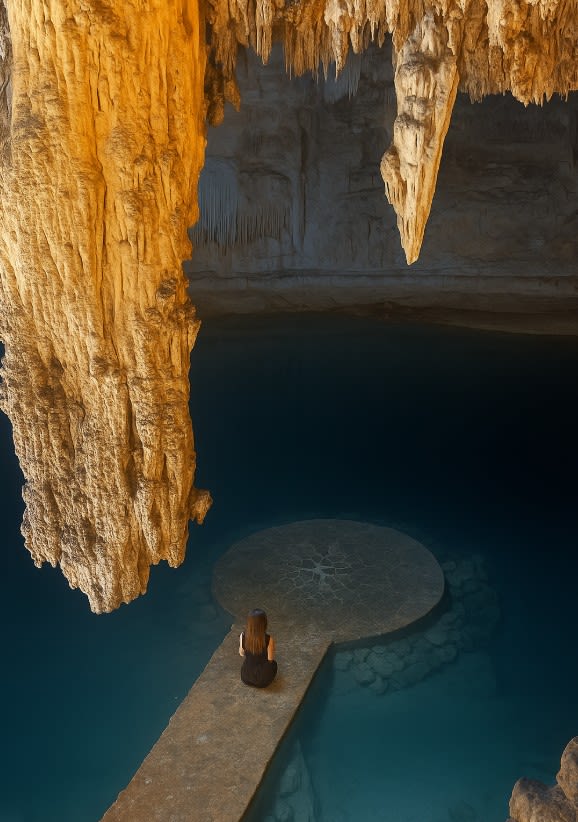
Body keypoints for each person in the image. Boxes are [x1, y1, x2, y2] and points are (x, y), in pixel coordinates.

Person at [239, 608, 278, 688]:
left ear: (249, 623)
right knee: (274, 664)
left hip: (246, 677)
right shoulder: (269, 640)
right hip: (262, 681)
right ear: (264, 623)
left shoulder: (242, 635)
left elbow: (241, 653)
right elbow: (270, 659)